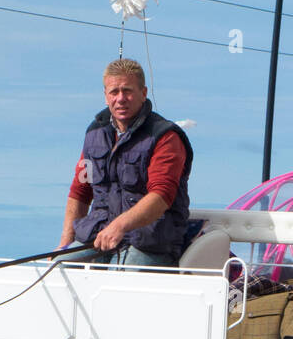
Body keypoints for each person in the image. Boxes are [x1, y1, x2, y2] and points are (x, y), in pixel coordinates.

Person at [58, 58, 193, 267]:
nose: (120, 98)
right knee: (57, 268)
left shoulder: (165, 137)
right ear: (105, 96)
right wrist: (65, 244)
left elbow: (161, 196)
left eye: (127, 90)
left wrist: (119, 226)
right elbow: (80, 191)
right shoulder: (94, 134)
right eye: (114, 92)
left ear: (144, 93)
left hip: (150, 243)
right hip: (98, 239)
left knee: (119, 284)